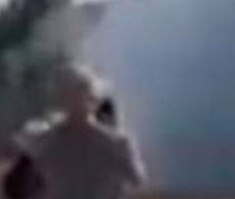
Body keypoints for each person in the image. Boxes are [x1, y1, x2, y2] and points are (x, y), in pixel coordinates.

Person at [15, 64, 146, 199]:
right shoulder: (44, 139)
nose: (75, 103)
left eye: (78, 95)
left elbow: (136, 178)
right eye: (70, 96)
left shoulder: (116, 143)